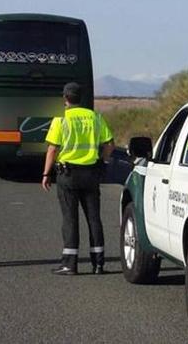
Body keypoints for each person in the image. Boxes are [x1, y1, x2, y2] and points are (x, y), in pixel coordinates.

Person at [42, 82, 115, 275]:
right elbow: (109, 144)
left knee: (70, 219)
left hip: (68, 175)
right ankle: (98, 264)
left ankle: (70, 264)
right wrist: (103, 162)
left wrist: (46, 174)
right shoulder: (95, 117)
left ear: (65, 98)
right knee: (94, 219)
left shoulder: (61, 120)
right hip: (91, 174)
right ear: (81, 98)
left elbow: (52, 148)